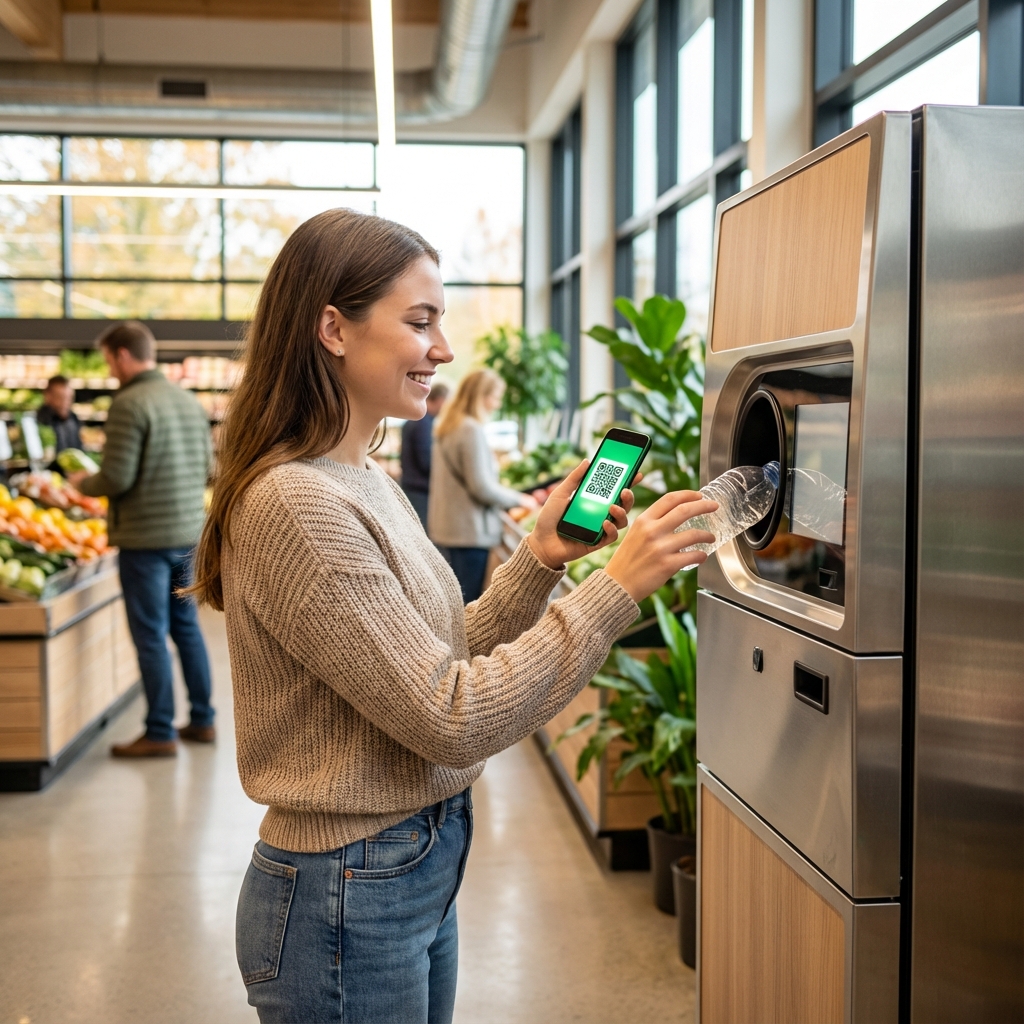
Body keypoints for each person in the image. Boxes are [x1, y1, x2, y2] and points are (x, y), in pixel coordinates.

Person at [187, 207, 716, 1024]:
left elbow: (438, 659)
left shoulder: (364, 475)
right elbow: (451, 716)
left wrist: (540, 560)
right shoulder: (299, 502)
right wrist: (615, 590)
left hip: (409, 864)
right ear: (333, 327)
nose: (443, 349)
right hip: (348, 889)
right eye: (420, 322)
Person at [68, 321, 215, 758]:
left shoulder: (129, 402)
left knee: (150, 634)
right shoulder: (187, 401)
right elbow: (208, 464)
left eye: (109, 360)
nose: (110, 369)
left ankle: (159, 731)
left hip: (145, 539)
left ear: (121, 355)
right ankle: (203, 720)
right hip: (189, 534)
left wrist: (81, 482)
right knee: (187, 628)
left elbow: (116, 476)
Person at [428, 369, 534, 603]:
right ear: (480, 396)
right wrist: (519, 499)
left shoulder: (447, 425)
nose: (496, 403)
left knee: (454, 600)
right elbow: (481, 487)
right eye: (494, 396)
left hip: (448, 527)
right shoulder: (470, 429)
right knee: (468, 603)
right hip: (469, 531)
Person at [400, 379, 448, 527]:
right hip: (419, 491)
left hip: (411, 486)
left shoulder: (414, 420)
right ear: (440, 400)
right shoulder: (423, 422)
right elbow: (426, 460)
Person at [36, 375, 82, 455]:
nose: (65, 403)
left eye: (69, 398)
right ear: (48, 396)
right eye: (60, 398)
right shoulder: (39, 421)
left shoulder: (73, 418)